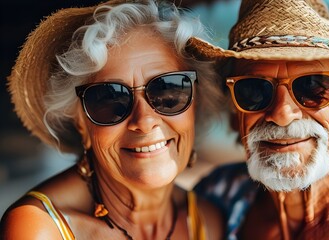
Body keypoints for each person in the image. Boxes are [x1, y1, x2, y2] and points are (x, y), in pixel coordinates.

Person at [188, 0, 329, 239]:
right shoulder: (215, 195)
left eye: (311, 87)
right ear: (236, 113)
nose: (282, 115)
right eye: (254, 90)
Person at [0, 0, 224, 239]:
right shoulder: (39, 228)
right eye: (111, 100)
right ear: (80, 123)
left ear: (195, 105)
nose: (145, 120)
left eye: (167, 92)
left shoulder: (205, 220)